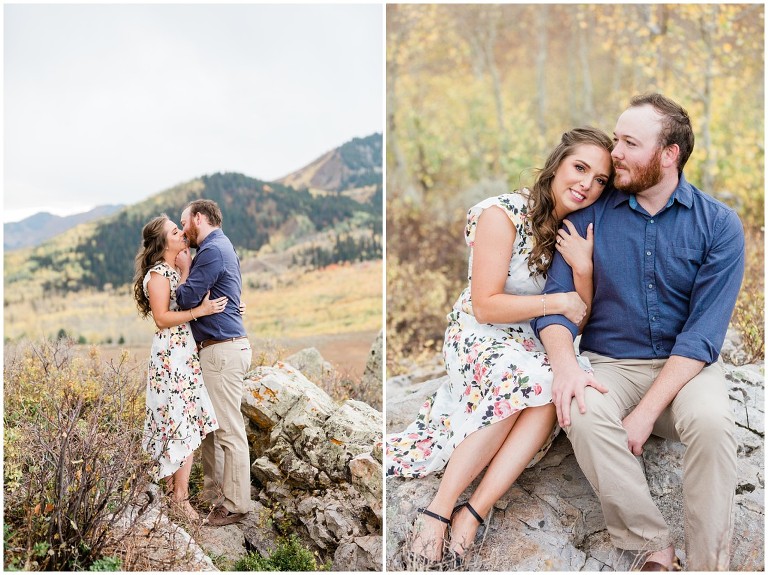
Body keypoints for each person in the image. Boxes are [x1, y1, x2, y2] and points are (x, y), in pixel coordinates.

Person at [533, 94, 745, 571]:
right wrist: (565, 367)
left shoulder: (719, 226)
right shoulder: (591, 214)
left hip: (687, 371)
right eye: (616, 139)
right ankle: (653, 549)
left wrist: (646, 414)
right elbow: (556, 310)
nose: (617, 153)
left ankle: (711, 566)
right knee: (581, 411)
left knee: (713, 425)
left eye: (630, 142)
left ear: (669, 154)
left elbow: (702, 337)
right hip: (612, 364)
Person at [386, 127, 614, 567]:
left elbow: (578, 315)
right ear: (557, 164)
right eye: (580, 168)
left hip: (530, 338)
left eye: (601, 179)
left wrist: (583, 268)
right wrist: (555, 300)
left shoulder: (576, 231)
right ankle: (438, 508)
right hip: (479, 333)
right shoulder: (501, 214)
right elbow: (486, 305)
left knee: (558, 386)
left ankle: (473, 511)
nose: (587, 184)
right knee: (529, 381)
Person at [133, 214, 226, 524]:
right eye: (175, 231)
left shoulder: (173, 271)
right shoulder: (158, 275)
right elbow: (162, 318)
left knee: (185, 422)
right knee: (180, 424)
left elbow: (181, 298)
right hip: (170, 357)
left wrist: (186, 269)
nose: (182, 233)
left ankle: (176, 492)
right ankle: (180, 500)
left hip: (183, 352)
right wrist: (200, 311)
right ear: (164, 243)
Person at [175, 198, 253, 527]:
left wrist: (181, 273)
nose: (183, 231)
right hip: (219, 348)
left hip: (222, 350)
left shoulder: (211, 250)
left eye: (184, 223)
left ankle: (236, 504)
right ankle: (214, 496)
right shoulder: (223, 247)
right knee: (211, 428)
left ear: (199, 218)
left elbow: (186, 298)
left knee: (227, 429)